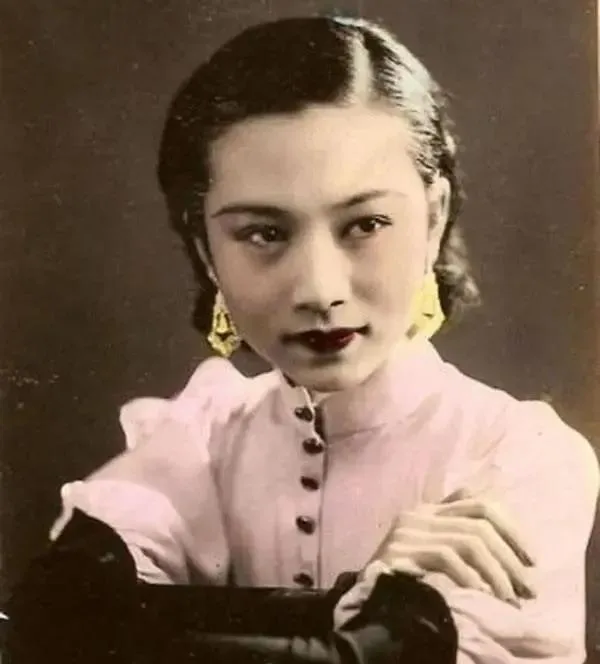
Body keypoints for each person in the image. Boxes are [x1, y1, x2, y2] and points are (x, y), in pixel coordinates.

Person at [7, 14, 599, 664]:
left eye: (365, 224)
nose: (319, 288)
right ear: (205, 250)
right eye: (264, 233)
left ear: (433, 219)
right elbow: (48, 625)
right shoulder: (200, 438)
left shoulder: (518, 458)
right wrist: (349, 602)